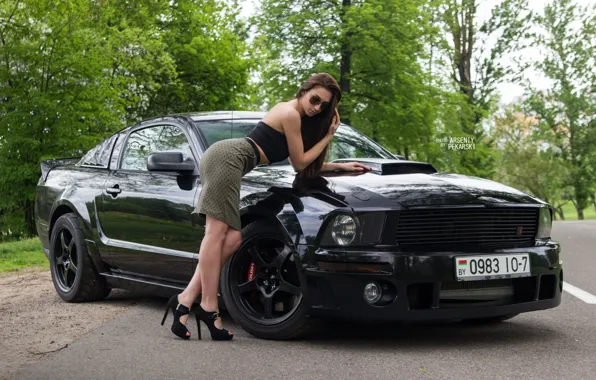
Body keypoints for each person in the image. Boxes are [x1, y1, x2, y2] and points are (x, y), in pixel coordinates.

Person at [160, 72, 371, 341]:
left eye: (323, 106)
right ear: (303, 90)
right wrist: (328, 136)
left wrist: (340, 166)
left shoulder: (294, 117)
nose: (316, 107)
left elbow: (303, 160)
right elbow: (299, 164)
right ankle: (209, 308)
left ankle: (184, 299)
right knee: (215, 234)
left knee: (234, 237)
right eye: (315, 99)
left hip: (232, 162)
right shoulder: (290, 113)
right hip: (228, 158)